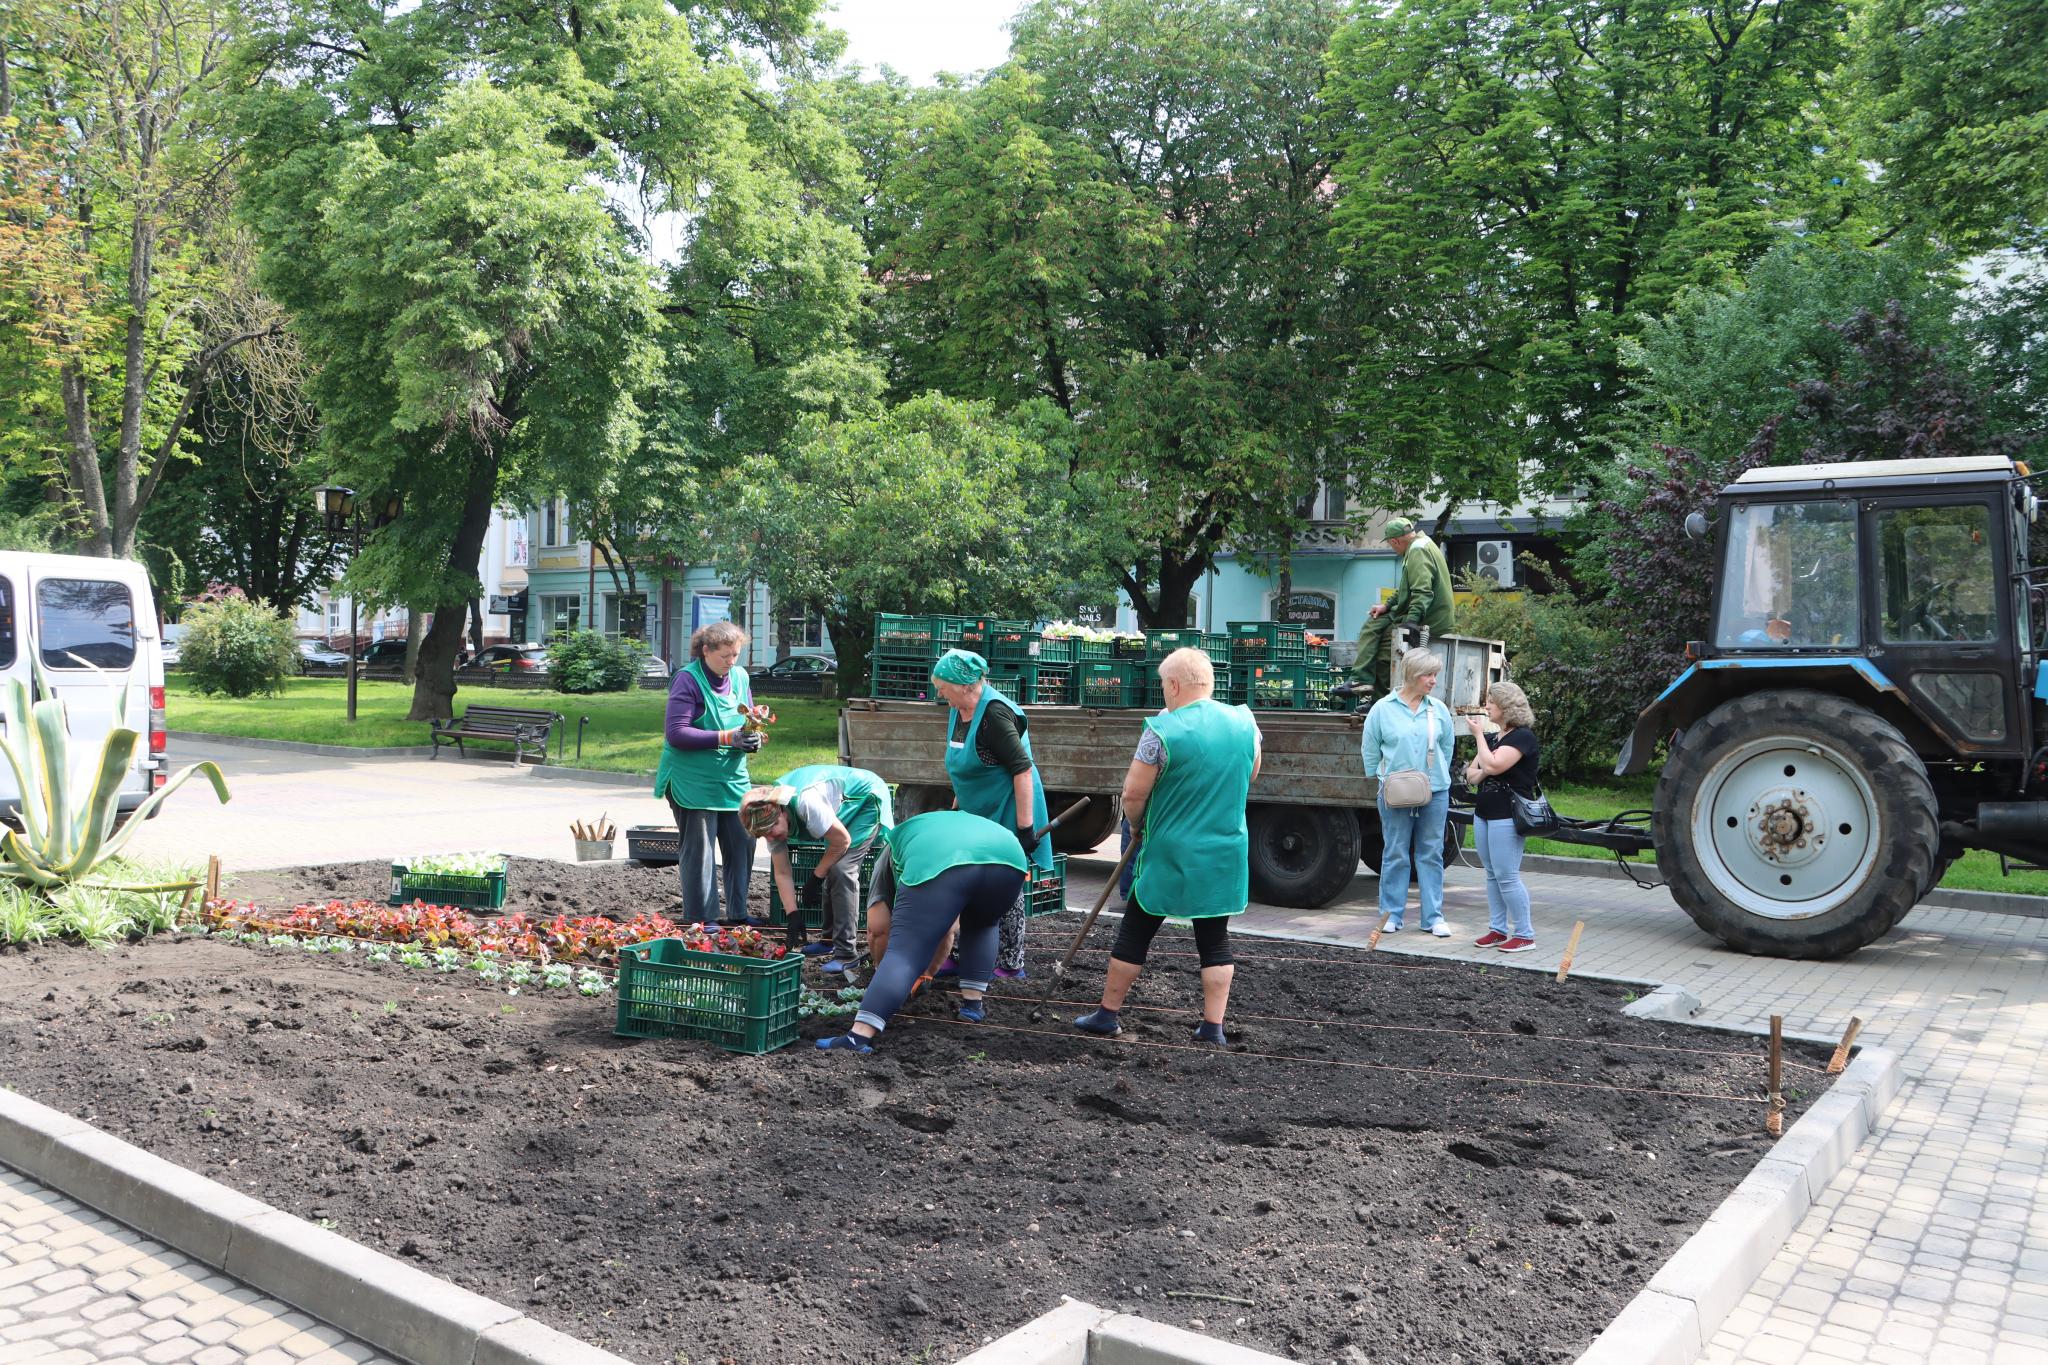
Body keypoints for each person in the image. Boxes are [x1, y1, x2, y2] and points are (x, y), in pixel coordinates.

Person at [1074, 649, 1261, 1047]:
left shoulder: (1161, 730)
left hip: (1169, 851)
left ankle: (1107, 1015)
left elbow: (1133, 793)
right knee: (1215, 938)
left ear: (1174, 685)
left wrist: (1138, 827)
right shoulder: (1247, 723)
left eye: (1163, 685)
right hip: (1224, 849)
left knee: (1136, 930)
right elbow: (1251, 771)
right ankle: (1213, 1027)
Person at [814, 811, 1029, 1053]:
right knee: (983, 925)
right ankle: (973, 1006)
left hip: (940, 860)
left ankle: (858, 1037)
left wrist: (890, 973)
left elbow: (877, 928)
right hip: (1010, 858)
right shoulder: (940, 826)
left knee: (905, 952)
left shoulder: (892, 846)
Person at [928, 648, 1054, 980]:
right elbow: (964, 768)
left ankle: (1010, 963)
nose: (939, 693)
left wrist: (1025, 829)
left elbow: (1022, 770)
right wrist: (956, 810)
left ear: (964, 684)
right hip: (975, 813)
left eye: (943, 686)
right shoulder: (959, 709)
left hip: (1008, 810)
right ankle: (960, 954)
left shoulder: (995, 715)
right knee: (966, 878)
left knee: (1004, 885)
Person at [651, 621, 760, 925]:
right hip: (691, 780)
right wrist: (727, 737)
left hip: (731, 777)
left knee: (743, 843)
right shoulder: (687, 680)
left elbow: (748, 720)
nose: (731, 661)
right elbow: (677, 733)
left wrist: (753, 738)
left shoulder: (739, 677)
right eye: (725, 655)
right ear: (706, 650)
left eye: (736, 655)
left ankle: (738, 913)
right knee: (700, 851)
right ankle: (702, 918)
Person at [739, 765, 895, 976]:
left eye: (771, 831)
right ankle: (828, 940)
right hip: (837, 806)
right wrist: (792, 914)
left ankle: (846, 954)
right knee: (830, 867)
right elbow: (782, 872)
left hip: (864, 798)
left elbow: (842, 842)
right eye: (764, 835)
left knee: (841, 869)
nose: (770, 838)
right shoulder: (768, 820)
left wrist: (815, 877)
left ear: (781, 814)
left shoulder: (806, 804)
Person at [1361, 648, 1456, 937]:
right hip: (1395, 793)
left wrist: (1434, 777)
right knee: (1395, 853)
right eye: (1429, 675)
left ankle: (1433, 917)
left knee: (1431, 853)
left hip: (1435, 792)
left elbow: (1447, 747)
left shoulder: (1437, 709)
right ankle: (1390, 915)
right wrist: (1381, 778)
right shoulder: (1382, 708)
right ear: (1413, 676)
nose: (1434, 681)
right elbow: (1370, 748)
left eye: (1435, 675)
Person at [1463, 681, 1540, 953]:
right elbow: (1472, 775)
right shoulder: (1496, 739)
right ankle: (1497, 930)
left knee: (1507, 876)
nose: (1486, 707)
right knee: (1492, 875)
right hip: (1484, 814)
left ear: (1505, 706)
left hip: (1507, 816)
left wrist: (1480, 740)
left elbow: (1493, 764)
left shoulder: (1522, 737)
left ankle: (1525, 934)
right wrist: (1488, 766)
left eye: (1490, 702)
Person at [1348, 516, 1455, 700]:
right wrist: (1386, 605)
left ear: (1395, 541)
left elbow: (1423, 590)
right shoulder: (1423, 543)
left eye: (1391, 545)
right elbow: (1407, 587)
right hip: (1426, 613)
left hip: (1429, 618)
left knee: (1385, 651)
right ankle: (1361, 680)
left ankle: (1378, 699)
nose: (1393, 549)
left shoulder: (1417, 552)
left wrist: (1412, 620)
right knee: (1374, 624)